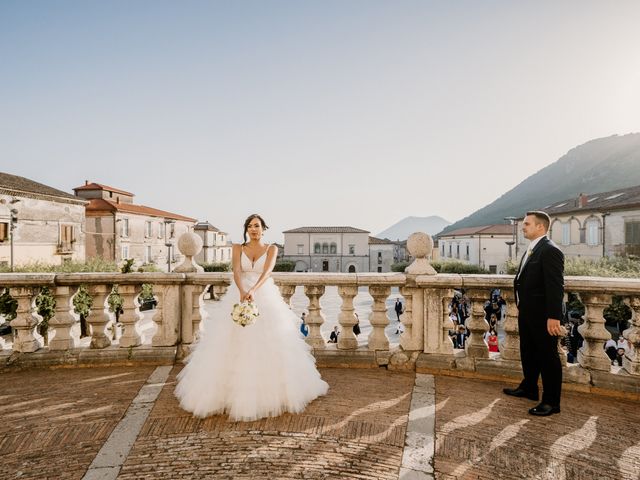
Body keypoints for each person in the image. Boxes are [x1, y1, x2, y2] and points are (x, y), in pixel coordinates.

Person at [175, 214, 328, 421]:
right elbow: (236, 270)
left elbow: (267, 272)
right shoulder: (238, 247)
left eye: (256, 226)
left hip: (263, 293)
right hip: (238, 293)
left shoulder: (271, 249)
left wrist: (253, 290)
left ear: (263, 228)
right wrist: (241, 291)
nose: (253, 229)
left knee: (270, 341)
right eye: (249, 226)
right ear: (246, 229)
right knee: (231, 340)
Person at [504, 211, 565, 417]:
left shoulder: (550, 251)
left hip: (544, 316)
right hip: (528, 312)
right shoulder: (532, 248)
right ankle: (529, 387)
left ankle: (551, 402)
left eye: (527, 224)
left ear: (540, 227)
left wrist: (554, 317)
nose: (523, 227)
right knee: (528, 352)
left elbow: (555, 286)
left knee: (548, 357)